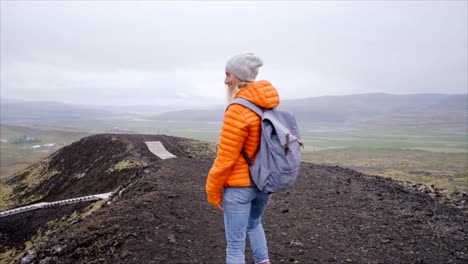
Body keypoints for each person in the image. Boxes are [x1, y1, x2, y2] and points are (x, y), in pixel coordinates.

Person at [206, 53, 279, 264]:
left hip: (239, 187)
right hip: (264, 183)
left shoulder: (237, 109)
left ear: (238, 76)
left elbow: (226, 158)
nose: (225, 80)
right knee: (254, 224)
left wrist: (213, 191)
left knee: (236, 247)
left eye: (228, 74)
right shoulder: (267, 105)